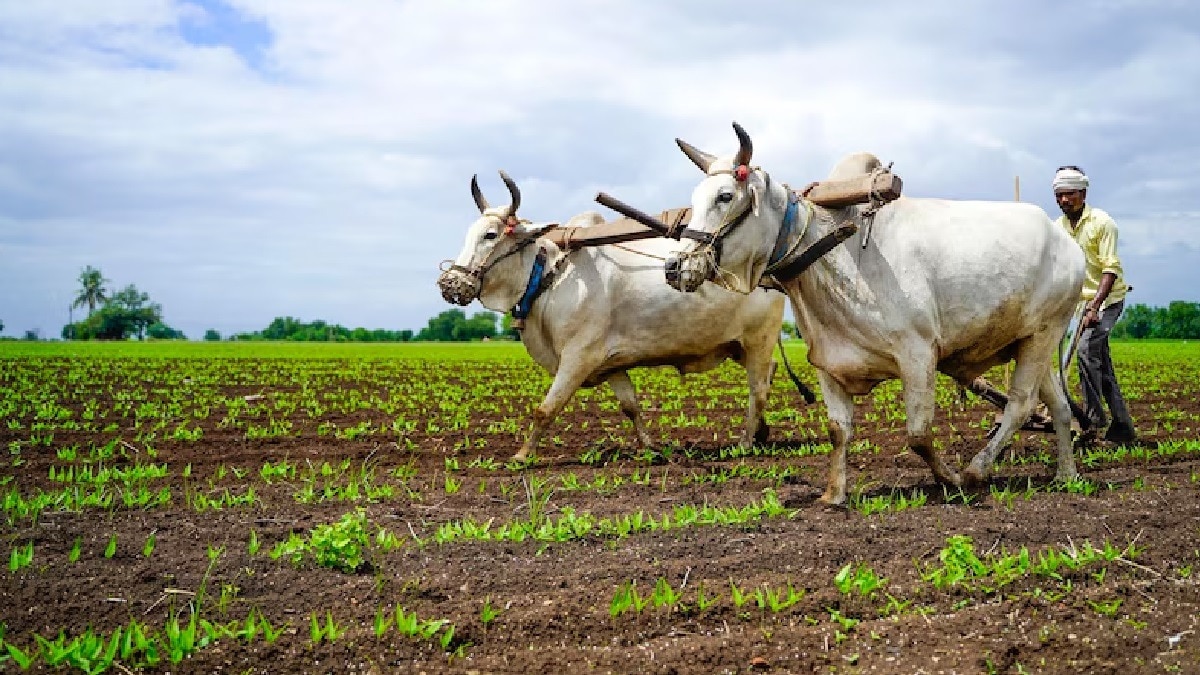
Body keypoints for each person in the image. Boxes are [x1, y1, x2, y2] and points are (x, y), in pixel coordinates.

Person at [1052, 166, 1137, 444]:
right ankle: (1122, 427)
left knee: (1087, 351)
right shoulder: (1057, 229)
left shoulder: (1103, 223)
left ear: (1083, 193)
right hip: (1080, 303)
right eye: (1060, 195)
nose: (1065, 200)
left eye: (1070, 194)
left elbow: (1110, 269)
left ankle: (1092, 417)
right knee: (1102, 365)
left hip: (1108, 299)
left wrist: (1095, 306)